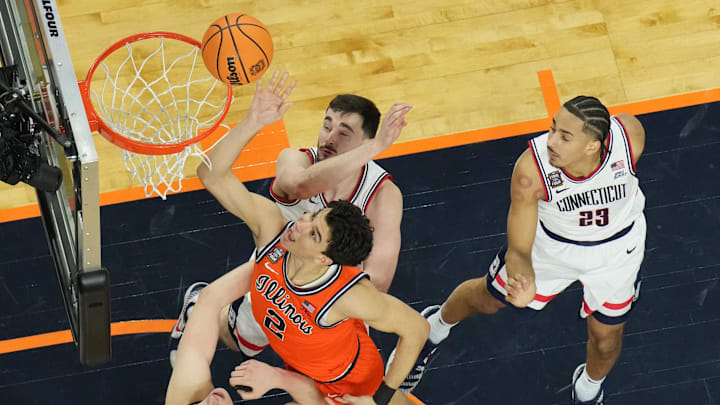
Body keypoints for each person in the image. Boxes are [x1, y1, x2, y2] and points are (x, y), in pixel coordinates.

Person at [165, 72, 428, 405]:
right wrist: (252, 121)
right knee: (242, 340)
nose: (301, 222)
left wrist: (380, 396)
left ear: (326, 258)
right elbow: (215, 175)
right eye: (326, 125)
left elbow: (399, 307)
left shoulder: (353, 279)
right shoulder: (285, 203)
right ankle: (198, 307)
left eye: (343, 132)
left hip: (336, 353)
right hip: (284, 293)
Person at [390, 96, 646, 405]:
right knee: (487, 299)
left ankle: (589, 389)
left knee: (606, 341)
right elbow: (519, 248)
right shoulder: (531, 170)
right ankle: (434, 326)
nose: (551, 141)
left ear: (593, 145)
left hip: (618, 248)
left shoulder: (630, 138)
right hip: (551, 247)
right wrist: (522, 278)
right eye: (552, 129)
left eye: (565, 136)